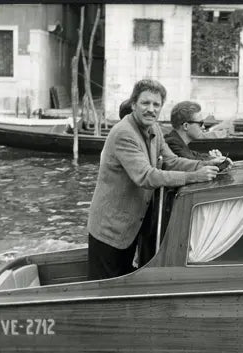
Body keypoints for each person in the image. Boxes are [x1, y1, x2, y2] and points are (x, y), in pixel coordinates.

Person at [86, 79, 229, 281]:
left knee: (123, 284)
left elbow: (171, 160)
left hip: (131, 226)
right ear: (134, 104)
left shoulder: (154, 130)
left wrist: (206, 164)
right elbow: (146, 176)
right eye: (145, 103)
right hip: (109, 229)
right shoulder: (123, 134)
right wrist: (193, 177)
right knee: (104, 291)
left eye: (156, 105)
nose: (151, 109)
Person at [164, 101, 234, 167]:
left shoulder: (178, 142)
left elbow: (195, 155)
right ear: (185, 126)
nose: (203, 127)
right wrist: (213, 161)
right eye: (200, 123)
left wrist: (213, 158)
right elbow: (190, 160)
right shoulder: (171, 143)